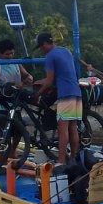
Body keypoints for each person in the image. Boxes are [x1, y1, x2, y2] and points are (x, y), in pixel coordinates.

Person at [34, 32, 82, 165]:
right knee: (73, 127)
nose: (41, 51)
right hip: (76, 92)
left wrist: (37, 95)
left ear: (45, 44)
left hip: (65, 94)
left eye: (40, 47)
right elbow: (61, 74)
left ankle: (61, 161)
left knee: (63, 129)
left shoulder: (50, 56)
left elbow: (49, 82)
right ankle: (73, 158)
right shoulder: (66, 51)